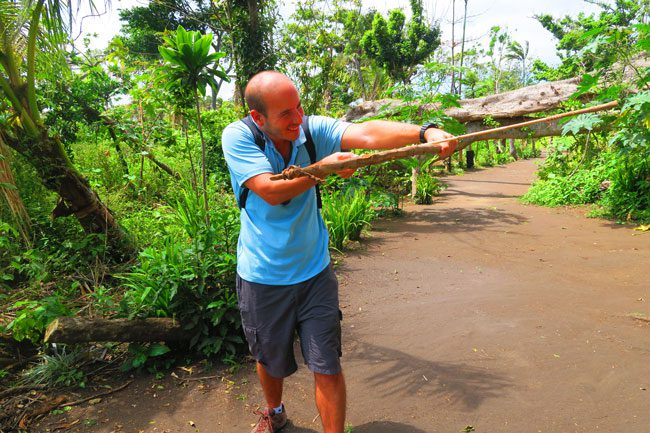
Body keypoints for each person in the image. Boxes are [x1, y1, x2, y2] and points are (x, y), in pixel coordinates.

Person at [221, 71, 457, 433]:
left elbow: (367, 132)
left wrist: (425, 132)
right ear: (258, 118)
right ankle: (275, 410)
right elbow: (269, 189)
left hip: (315, 271)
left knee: (326, 363)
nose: (297, 118)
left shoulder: (311, 129)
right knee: (269, 359)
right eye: (285, 114)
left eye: (298, 107)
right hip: (262, 275)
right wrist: (322, 172)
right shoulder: (239, 136)